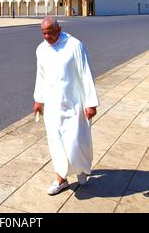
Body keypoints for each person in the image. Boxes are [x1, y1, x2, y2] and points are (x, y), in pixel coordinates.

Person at [34, 17, 99, 195]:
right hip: (53, 105)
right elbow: (41, 76)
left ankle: (81, 169)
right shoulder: (41, 49)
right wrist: (39, 100)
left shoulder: (74, 45)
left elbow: (85, 73)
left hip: (75, 103)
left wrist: (91, 103)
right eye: (44, 33)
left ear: (59, 28)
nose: (47, 36)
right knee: (56, 142)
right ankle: (61, 178)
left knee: (76, 141)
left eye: (50, 32)